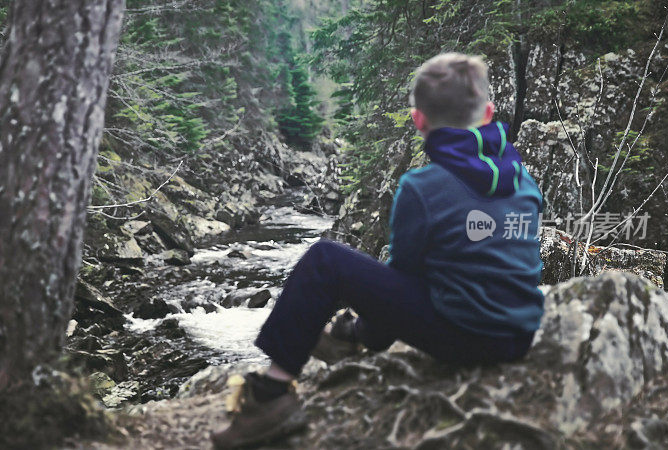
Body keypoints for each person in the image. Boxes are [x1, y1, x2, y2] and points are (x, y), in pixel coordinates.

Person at [211, 52, 545, 449]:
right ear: (489, 113)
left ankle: (271, 398)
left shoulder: (423, 187)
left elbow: (405, 274)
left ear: (419, 119)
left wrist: (368, 332)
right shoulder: (522, 178)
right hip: (519, 334)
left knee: (325, 260)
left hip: (466, 338)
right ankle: (351, 336)